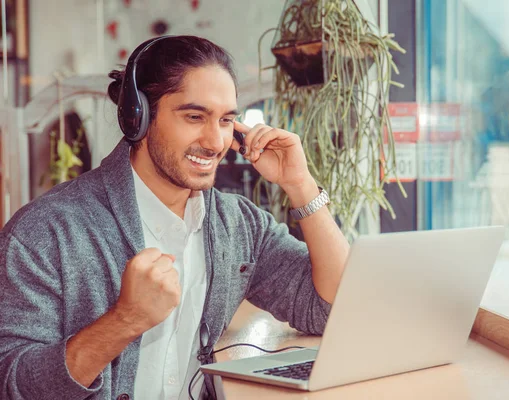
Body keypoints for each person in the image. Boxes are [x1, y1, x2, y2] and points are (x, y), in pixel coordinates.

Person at [0, 35, 349, 400]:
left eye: (227, 120)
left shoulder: (237, 226)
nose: (215, 142)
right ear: (138, 117)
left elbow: (330, 311)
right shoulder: (44, 231)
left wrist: (301, 185)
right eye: (195, 116)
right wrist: (124, 321)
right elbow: (13, 385)